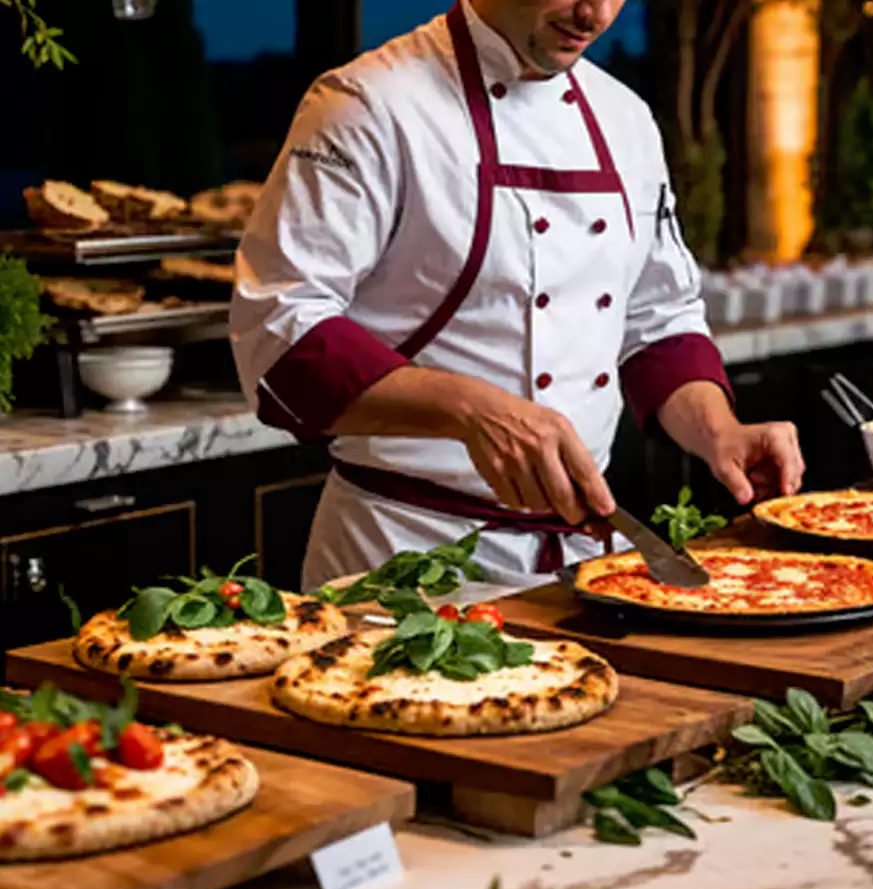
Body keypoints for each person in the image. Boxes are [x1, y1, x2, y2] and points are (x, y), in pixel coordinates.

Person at [230, 0, 805, 590]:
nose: (594, 14)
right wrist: (474, 412)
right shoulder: (368, 103)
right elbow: (280, 333)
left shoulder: (624, 118)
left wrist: (719, 431)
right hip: (402, 559)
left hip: (582, 567)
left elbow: (658, 320)